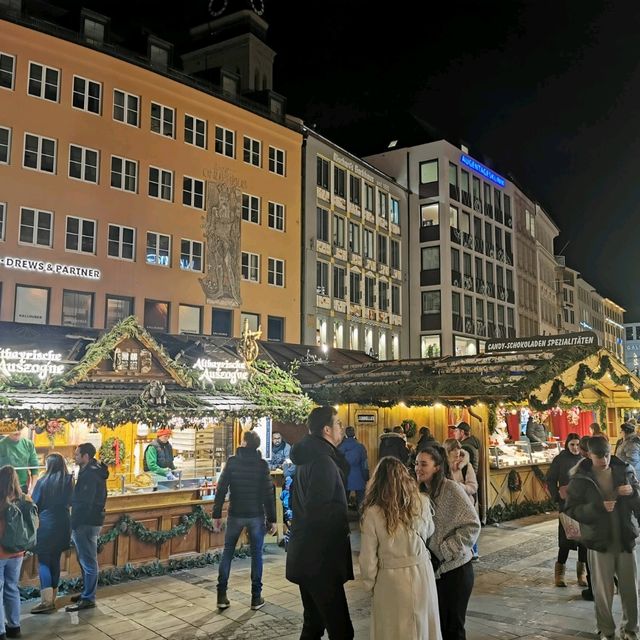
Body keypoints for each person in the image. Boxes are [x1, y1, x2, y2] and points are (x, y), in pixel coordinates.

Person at [286, 406, 354, 639]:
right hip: (320, 560)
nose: (342, 428)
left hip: (307, 556)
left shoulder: (309, 458)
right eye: (338, 424)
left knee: (314, 624)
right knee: (341, 630)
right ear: (326, 429)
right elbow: (320, 513)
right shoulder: (324, 462)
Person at [565, 437, 640, 640]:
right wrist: (597, 508)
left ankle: (631, 630)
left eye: (607, 455)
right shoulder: (580, 477)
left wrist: (633, 492)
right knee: (603, 593)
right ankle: (607, 632)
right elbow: (571, 509)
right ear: (589, 454)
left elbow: (638, 502)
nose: (604, 460)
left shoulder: (624, 469)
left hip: (625, 539)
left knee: (631, 590)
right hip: (599, 543)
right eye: (599, 457)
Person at [359, 456, 442, 639]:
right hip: (422, 572)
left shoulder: (373, 512)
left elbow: (368, 557)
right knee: (422, 625)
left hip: (391, 579)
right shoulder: (421, 502)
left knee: (393, 629)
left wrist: (369, 584)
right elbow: (428, 532)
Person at [416, 445, 480, 640]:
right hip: (431, 572)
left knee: (452, 628)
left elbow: (472, 525)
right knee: (437, 628)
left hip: (456, 571)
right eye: (417, 463)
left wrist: (443, 551)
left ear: (437, 467)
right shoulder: (419, 493)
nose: (418, 468)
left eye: (424, 464)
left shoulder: (451, 489)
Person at [213, 430, 276, 611]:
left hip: (235, 514)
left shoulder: (232, 462)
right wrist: (272, 519)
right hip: (256, 515)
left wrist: (216, 514)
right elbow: (268, 494)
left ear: (244, 443)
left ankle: (222, 595)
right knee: (256, 555)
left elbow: (221, 488)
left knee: (228, 552)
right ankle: (256, 598)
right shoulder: (262, 465)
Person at [65, 442, 109, 612]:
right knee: (84, 559)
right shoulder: (93, 470)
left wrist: (75, 522)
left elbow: (85, 502)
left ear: (86, 457)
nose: (74, 457)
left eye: (77, 455)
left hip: (86, 522)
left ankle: (89, 597)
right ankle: (86, 593)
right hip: (90, 521)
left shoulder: (90, 475)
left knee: (89, 561)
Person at [30, 453, 74, 614]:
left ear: (49, 465)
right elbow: (70, 502)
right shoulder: (69, 480)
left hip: (46, 524)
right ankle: (53, 597)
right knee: (55, 559)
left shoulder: (43, 482)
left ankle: (46, 601)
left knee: (43, 561)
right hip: (63, 523)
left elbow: (35, 503)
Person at [545, 433, 587, 588]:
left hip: (582, 506)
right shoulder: (560, 459)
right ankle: (560, 574)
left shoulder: (584, 460)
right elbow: (550, 479)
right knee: (565, 540)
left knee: (583, 540)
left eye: (577, 445)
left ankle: (581, 574)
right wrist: (556, 496)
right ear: (567, 445)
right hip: (566, 505)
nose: (575, 448)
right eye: (572, 445)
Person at [0, 466, 28, 638]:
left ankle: (0, 631)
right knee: (12, 587)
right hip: (17, 552)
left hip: (0, 551)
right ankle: (14, 626)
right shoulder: (24, 499)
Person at [0, 428, 39, 493]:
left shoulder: (28, 444)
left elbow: (35, 467)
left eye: (19, 428)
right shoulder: (1, 445)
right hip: (4, 487)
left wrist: (32, 489)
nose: (17, 431)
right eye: (14, 428)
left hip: (23, 487)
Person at [338, 426, 369, 509]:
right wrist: (366, 476)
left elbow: (337, 464)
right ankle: (362, 519)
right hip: (359, 477)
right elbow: (364, 464)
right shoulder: (360, 447)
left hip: (345, 477)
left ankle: (343, 520)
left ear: (345, 434)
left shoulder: (340, 447)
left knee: (343, 501)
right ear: (354, 434)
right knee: (361, 502)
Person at [443, 438, 478, 505]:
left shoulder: (465, 466)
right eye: (454, 450)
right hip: (447, 504)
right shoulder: (442, 467)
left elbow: (473, 487)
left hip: (465, 503)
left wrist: (459, 486)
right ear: (447, 451)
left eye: (458, 449)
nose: (457, 452)